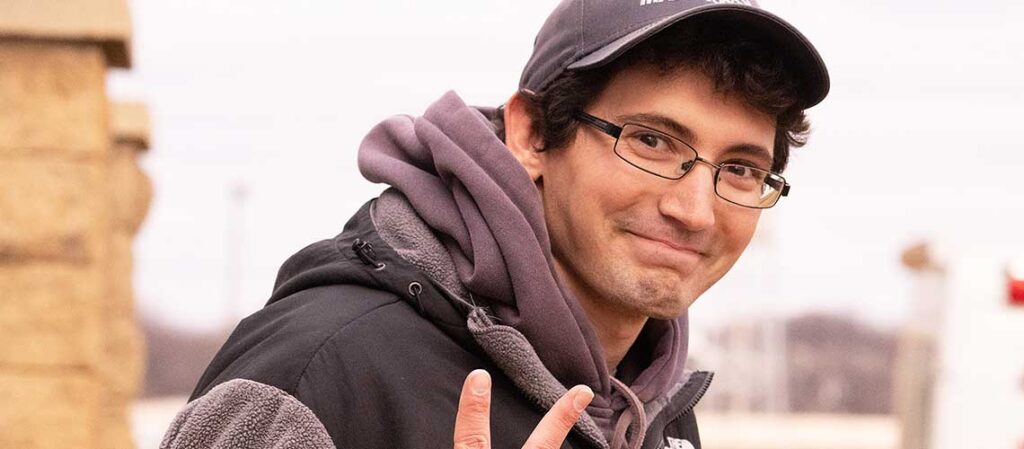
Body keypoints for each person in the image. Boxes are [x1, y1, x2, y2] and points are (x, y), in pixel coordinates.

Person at [161, 1, 829, 448]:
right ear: (532, 134)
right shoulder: (317, 377)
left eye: (741, 169)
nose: (695, 210)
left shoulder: (652, 407)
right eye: (651, 141)